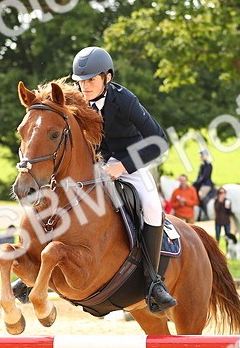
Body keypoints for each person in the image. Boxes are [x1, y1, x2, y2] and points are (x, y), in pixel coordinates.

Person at [69, 45, 176, 313]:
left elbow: (159, 142)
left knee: (152, 208)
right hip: (97, 164)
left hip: (131, 162)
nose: (85, 86)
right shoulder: (77, 101)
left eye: (91, 79)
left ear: (108, 77)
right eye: (81, 81)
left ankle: (153, 282)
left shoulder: (125, 100)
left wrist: (124, 166)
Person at [192, 149, 214, 219]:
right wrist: (195, 182)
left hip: (206, 184)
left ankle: (206, 213)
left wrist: (197, 182)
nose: (201, 156)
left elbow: (205, 176)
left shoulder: (208, 165)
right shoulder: (202, 164)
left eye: (202, 155)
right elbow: (199, 176)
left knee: (200, 195)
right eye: (201, 155)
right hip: (201, 183)